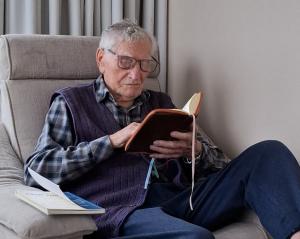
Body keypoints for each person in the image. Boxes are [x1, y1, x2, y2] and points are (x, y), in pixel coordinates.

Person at [24, 19, 300, 239]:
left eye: (145, 64)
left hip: (181, 198)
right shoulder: (71, 102)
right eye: (126, 62)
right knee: (195, 237)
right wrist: (110, 142)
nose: (137, 74)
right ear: (101, 59)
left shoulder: (161, 103)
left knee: (268, 153)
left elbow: (221, 164)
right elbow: (36, 172)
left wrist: (197, 151)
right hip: (122, 210)